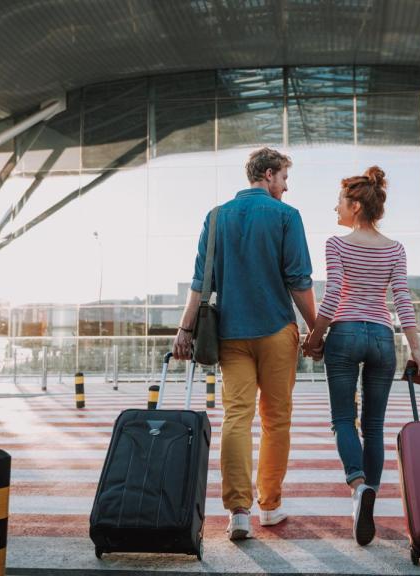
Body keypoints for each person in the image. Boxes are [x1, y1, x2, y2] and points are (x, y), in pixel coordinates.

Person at [173, 147, 317, 541]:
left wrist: (185, 329)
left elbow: (201, 281)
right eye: (284, 179)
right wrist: (317, 328)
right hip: (275, 333)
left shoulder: (216, 216)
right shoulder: (287, 216)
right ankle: (269, 506)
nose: (286, 188)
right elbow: (299, 280)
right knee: (276, 421)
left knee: (237, 417)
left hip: (230, 336)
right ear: (269, 175)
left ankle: (239, 511)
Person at [302, 166, 420, 546]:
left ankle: (358, 487)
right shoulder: (395, 249)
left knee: (343, 419)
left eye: (339, 202)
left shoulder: (336, 244)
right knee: (374, 426)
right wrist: (416, 348)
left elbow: (335, 291)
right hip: (380, 336)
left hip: (344, 335)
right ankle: (369, 493)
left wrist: (315, 335)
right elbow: (402, 299)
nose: (335, 209)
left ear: (355, 205)